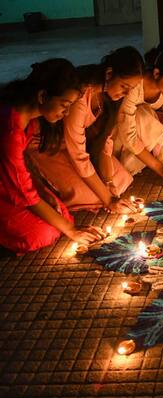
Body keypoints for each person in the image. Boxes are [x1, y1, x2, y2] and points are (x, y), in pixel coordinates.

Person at [0, 59, 105, 253]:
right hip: (5, 191)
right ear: (42, 96)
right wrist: (72, 231)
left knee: (60, 213)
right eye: (64, 105)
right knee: (43, 233)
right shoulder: (10, 131)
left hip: (11, 185)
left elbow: (23, 171)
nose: (66, 113)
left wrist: (42, 193)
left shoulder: (29, 120)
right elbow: (22, 190)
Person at [30, 47, 141, 213]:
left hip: (76, 145)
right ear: (109, 74)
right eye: (124, 86)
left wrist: (108, 183)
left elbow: (105, 140)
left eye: (130, 89)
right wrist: (109, 200)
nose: (126, 93)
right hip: (50, 145)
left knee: (121, 179)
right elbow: (78, 155)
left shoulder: (107, 97)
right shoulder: (80, 97)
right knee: (91, 195)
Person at [115, 46, 163, 184]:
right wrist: (160, 168)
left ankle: (147, 164)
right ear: (157, 73)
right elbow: (128, 135)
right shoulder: (135, 86)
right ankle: (131, 166)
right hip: (120, 137)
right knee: (143, 114)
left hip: (142, 140)